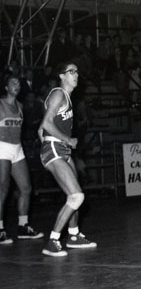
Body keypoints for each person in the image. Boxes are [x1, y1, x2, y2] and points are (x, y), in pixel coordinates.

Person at [39, 62, 97, 257]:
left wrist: (51, 141)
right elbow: (46, 124)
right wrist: (65, 140)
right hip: (55, 149)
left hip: (61, 150)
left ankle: (73, 235)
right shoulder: (58, 94)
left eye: (77, 71)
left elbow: (40, 129)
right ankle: (52, 241)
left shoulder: (67, 98)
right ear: (62, 76)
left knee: (74, 194)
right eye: (71, 71)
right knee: (76, 196)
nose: (76, 74)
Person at [0, 74, 43, 245]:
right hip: (2, 148)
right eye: (13, 83)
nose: (17, 85)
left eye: (18, 83)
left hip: (17, 149)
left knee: (26, 188)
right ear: (6, 87)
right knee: (3, 190)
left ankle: (23, 226)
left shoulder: (20, 106)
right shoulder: (0, 104)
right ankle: (0, 229)